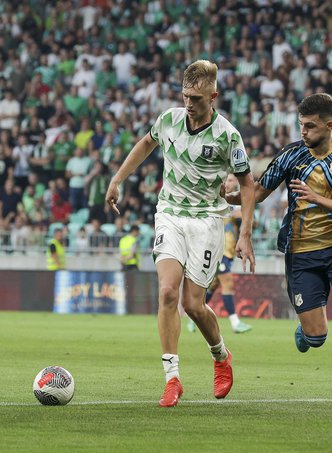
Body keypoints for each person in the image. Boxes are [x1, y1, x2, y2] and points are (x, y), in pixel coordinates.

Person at [226, 93, 332, 414]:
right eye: (300, 125)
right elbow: (259, 192)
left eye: (309, 126)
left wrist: (318, 199)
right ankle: (307, 333)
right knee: (316, 337)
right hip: (301, 255)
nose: (302, 132)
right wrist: (233, 196)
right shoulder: (291, 155)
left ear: (329, 125)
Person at [105, 60, 256, 408]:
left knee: (193, 304)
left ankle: (220, 356)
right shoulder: (169, 120)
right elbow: (146, 144)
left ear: (213, 96)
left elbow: (248, 185)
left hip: (206, 222)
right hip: (169, 214)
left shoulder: (228, 135)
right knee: (168, 292)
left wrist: (245, 232)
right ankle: (172, 378)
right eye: (185, 95)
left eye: (197, 98)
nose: (189, 103)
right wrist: (117, 179)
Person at [188, 174, 253, 334]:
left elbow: (250, 219)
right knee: (227, 282)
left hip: (229, 251)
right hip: (217, 248)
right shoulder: (215, 199)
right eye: (227, 180)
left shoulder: (238, 202)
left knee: (213, 285)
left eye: (232, 180)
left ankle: (194, 316)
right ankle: (235, 322)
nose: (229, 183)